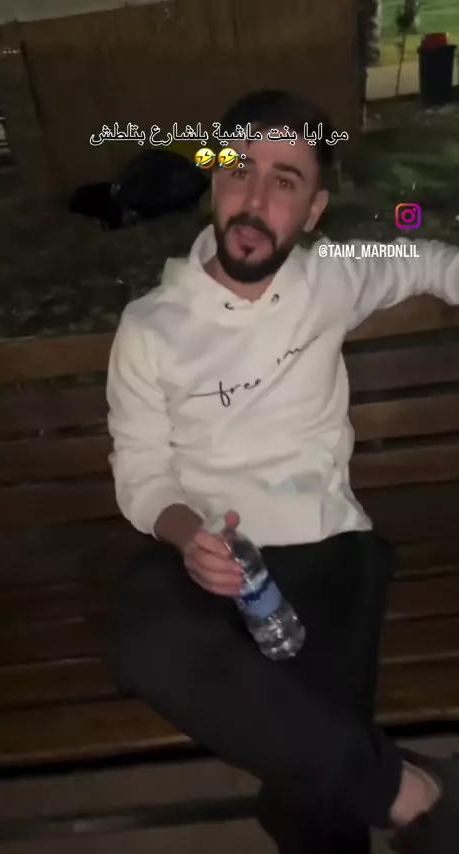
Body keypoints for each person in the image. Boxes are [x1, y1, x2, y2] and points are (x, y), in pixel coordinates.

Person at [106, 89, 459, 854]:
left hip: (325, 546)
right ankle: (410, 789)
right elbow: (141, 473)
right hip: (209, 557)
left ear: (315, 210)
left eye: (285, 181)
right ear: (214, 181)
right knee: (142, 638)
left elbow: (429, 258)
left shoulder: (333, 276)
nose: (255, 200)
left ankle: (356, 801)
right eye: (239, 171)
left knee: (313, 757)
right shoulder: (149, 327)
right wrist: (187, 534)